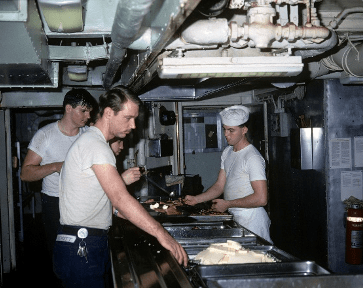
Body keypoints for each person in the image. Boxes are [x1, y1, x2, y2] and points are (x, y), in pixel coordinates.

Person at [53, 86, 188, 288]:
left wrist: (147, 217)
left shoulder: (92, 142)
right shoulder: (96, 146)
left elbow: (110, 204)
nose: (133, 125)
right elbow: (120, 199)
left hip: (81, 243)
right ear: (108, 113)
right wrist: (161, 233)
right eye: (128, 118)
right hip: (83, 246)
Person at [20, 88, 95, 257]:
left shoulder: (89, 135)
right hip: (55, 202)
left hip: (84, 200)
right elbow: (25, 173)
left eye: (89, 112)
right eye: (83, 111)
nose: (88, 116)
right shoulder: (45, 135)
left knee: (84, 250)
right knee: (60, 251)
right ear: (68, 108)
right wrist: (55, 166)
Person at [185, 105, 273, 244]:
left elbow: (261, 198)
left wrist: (227, 203)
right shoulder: (227, 152)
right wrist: (197, 199)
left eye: (231, 130)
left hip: (252, 221)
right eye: (225, 129)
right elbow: (220, 186)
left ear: (244, 130)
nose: (226, 134)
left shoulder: (252, 157)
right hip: (235, 217)